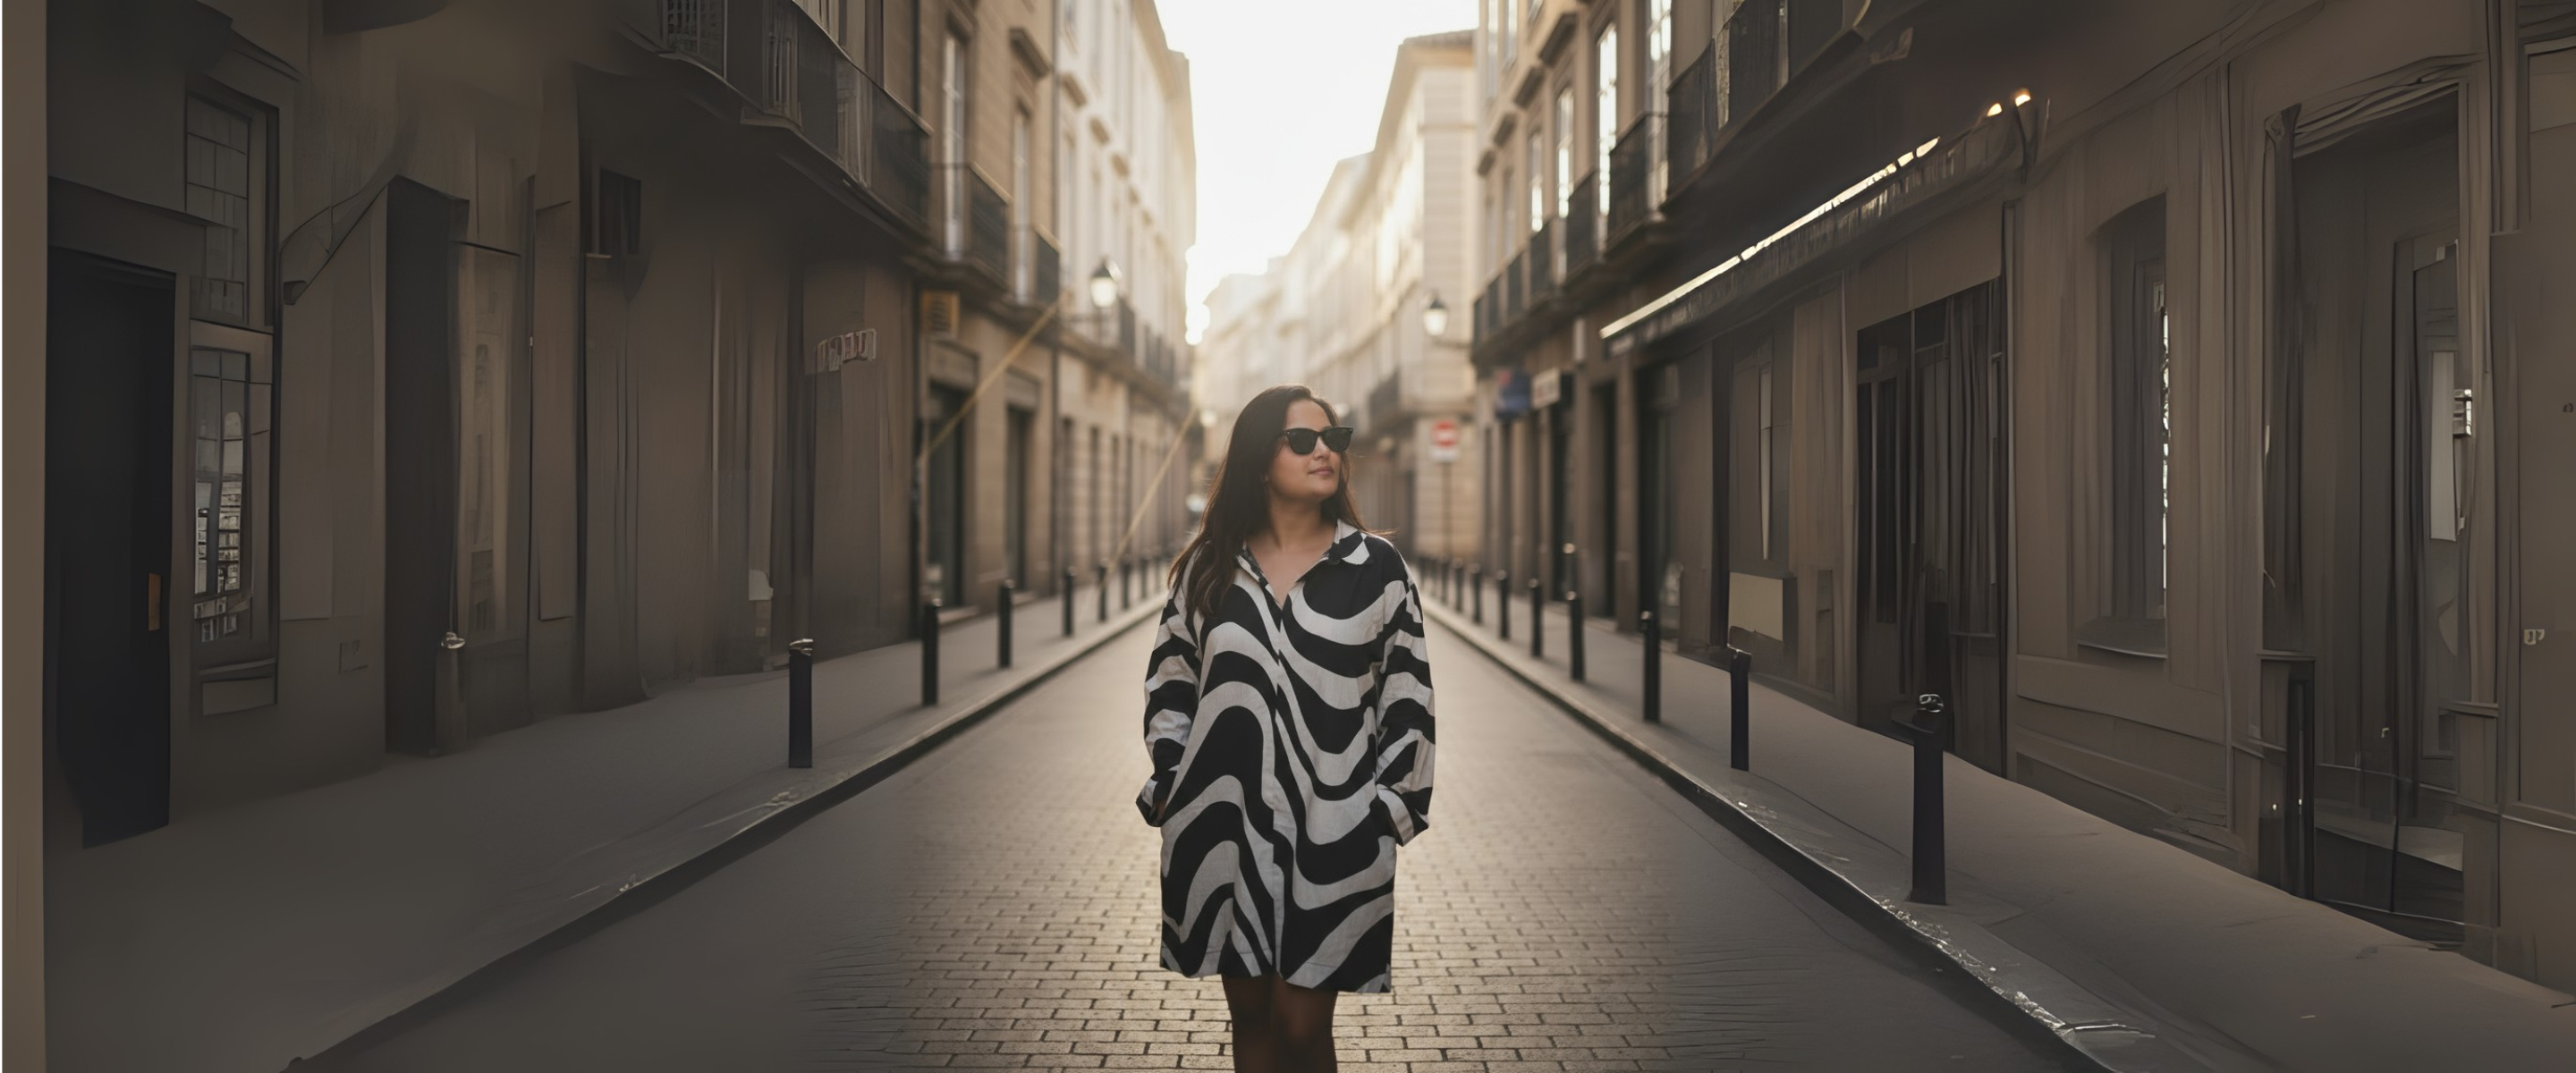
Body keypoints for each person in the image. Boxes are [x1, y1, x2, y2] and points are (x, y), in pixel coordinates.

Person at [1136, 384, 1436, 1073]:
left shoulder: (1376, 570)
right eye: (1302, 440)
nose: (1324, 451)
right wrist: (1172, 777)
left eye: (1335, 438)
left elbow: (1409, 698)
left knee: (1302, 1026)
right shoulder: (1209, 569)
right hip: (1225, 829)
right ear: (1258, 457)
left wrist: (1389, 810)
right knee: (1253, 1021)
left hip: (1335, 832)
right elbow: (1170, 681)